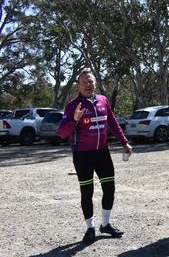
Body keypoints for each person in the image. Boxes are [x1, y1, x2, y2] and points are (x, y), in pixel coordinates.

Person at [58, 68, 133, 243]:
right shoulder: (72, 105)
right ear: (78, 86)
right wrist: (74, 119)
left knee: (109, 189)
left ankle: (105, 225)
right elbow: (62, 133)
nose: (87, 85)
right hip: (82, 155)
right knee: (87, 192)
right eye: (84, 82)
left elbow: (113, 122)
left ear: (96, 83)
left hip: (102, 153)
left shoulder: (103, 101)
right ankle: (90, 228)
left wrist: (124, 142)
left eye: (90, 81)